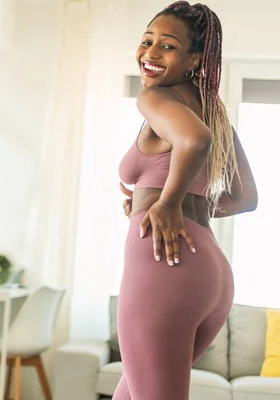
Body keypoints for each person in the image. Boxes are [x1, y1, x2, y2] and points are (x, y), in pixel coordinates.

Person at [115, 2, 257, 399]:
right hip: (210, 271)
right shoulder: (212, 109)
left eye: (168, 46)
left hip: (167, 264)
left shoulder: (155, 101)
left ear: (194, 58)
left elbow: (194, 141)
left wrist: (167, 205)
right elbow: (245, 197)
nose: (151, 53)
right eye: (147, 41)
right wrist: (161, 202)